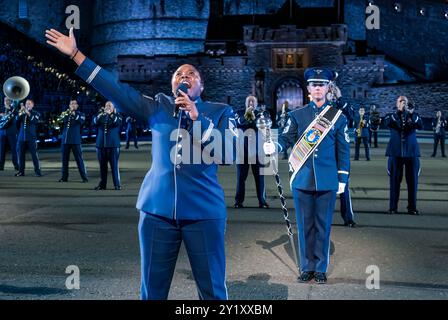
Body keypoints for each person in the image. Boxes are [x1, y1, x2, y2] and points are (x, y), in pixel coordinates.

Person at [46, 27, 237, 300]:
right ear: (172, 85)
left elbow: (228, 154)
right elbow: (116, 89)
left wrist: (197, 118)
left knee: (213, 291)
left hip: (204, 213)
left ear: (201, 86)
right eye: (178, 75)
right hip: (156, 212)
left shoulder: (220, 112)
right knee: (152, 290)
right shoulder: (157, 107)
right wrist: (77, 55)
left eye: (191, 74)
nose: (184, 77)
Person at [263, 67, 350, 284]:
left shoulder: (338, 118)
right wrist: (274, 146)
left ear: (328, 88)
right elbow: (286, 139)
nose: (318, 88)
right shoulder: (297, 115)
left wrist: (342, 179)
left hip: (328, 180)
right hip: (302, 179)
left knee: (323, 225)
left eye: (322, 85)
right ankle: (306, 266)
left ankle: (320, 267)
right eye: (314, 85)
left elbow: (343, 151)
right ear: (308, 88)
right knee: (304, 225)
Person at [384, 96, 422, 215]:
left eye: (405, 101)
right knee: (394, 181)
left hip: (411, 153)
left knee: (413, 182)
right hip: (395, 153)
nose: (403, 103)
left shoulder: (413, 116)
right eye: (400, 101)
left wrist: (411, 113)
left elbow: (420, 125)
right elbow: (388, 123)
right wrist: (399, 112)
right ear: (397, 103)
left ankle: (412, 207)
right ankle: (393, 207)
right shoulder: (391, 116)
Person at [327, 85, 356, 228]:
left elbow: (352, 117)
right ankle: (323, 218)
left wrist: (339, 97)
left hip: (340, 151)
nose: (331, 95)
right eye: (329, 93)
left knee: (344, 185)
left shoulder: (340, 107)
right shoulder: (320, 107)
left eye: (332, 93)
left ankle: (348, 217)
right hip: (325, 151)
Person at [234, 95, 269, 209]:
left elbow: (265, 126)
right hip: (242, 150)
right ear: (245, 102)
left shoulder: (262, 113)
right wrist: (247, 115)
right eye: (248, 101)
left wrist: (255, 116)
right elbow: (238, 123)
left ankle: (262, 201)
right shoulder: (239, 112)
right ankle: (238, 201)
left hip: (258, 151)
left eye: (253, 101)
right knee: (240, 178)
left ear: (257, 103)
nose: (251, 103)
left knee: (260, 177)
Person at [93, 102, 122, 190]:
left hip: (113, 145)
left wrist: (111, 115)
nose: (107, 107)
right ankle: (102, 185)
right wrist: (100, 114)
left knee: (114, 166)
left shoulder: (117, 116)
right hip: (101, 144)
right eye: (106, 105)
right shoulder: (101, 115)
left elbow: (117, 122)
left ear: (114, 108)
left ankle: (117, 184)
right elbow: (94, 122)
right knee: (102, 166)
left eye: (110, 106)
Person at [57, 98, 88, 182]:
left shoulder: (81, 114)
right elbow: (58, 121)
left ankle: (84, 177)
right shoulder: (65, 114)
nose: (73, 105)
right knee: (64, 160)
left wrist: (74, 114)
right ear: (69, 106)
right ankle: (64, 177)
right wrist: (62, 116)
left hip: (75, 140)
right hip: (65, 140)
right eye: (71, 104)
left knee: (79, 159)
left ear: (77, 106)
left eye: (74, 104)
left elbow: (81, 121)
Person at [15, 99, 42, 177]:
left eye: (29, 103)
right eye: (26, 103)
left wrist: (27, 112)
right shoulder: (22, 113)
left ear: (32, 105)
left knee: (34, 155)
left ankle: (38, 171)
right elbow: (16, 122)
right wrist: (19, 113)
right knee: (20, 155)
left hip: (31, 137)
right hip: (21, 137)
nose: (27, 105)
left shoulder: (36, 113)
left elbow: (34, 121)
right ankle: (21, 171)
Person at [0, 97, 19, 171]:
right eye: (5, 100)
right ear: (3, 101)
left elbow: (17, 117)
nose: (6, 101)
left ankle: (16, 166)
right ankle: (1, 166)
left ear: (10, 101)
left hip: (11, 131)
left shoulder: (14, 109)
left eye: (8, 100)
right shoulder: (1, 109)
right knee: (1, 150)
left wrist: (10, 110)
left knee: (14, 149)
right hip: (2, 131)